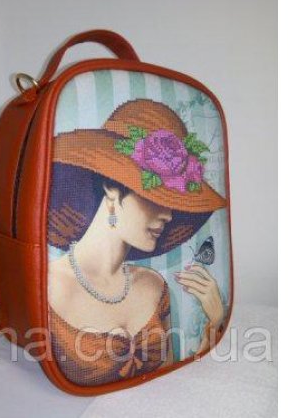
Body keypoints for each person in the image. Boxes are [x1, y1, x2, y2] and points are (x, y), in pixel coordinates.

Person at [48, 99, 227, 386]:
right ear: (112, 187)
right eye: (157, 196)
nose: (169, 214)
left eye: (174, 201)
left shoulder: (153, 286)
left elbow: (170, 380)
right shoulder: (51, 286)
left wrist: (214, 323)